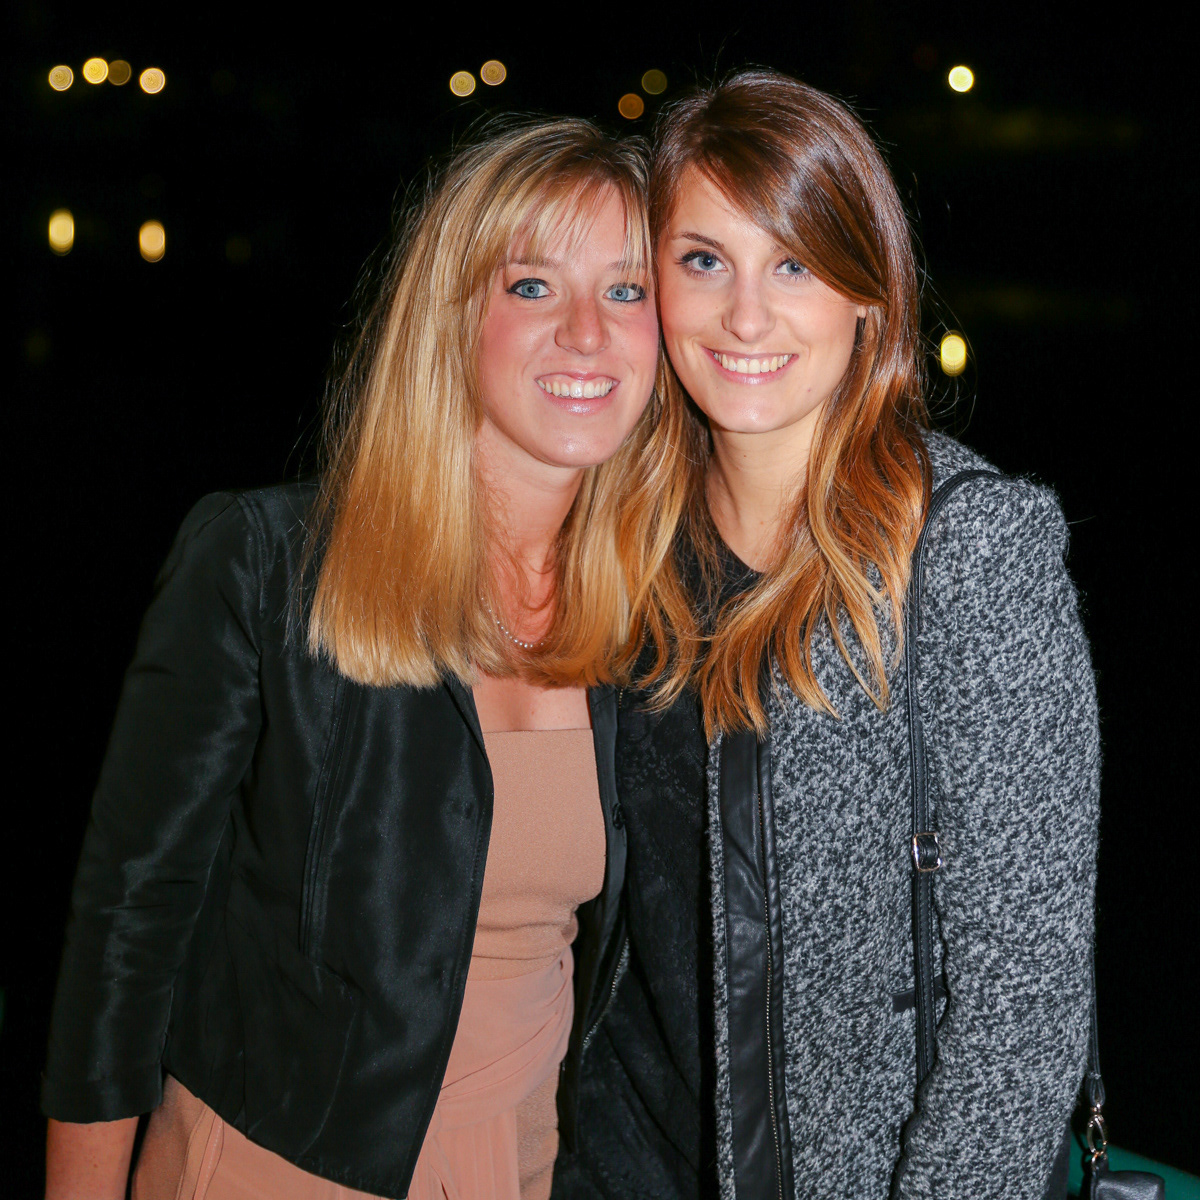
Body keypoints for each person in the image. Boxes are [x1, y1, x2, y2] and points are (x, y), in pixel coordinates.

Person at [41, 117, 661, 1200]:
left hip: (533, 1167)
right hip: (275, 1168)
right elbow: (125, 929)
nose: (586, 332)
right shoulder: (267, 562)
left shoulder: (656, 613)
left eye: (625, 290)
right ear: (451, 315)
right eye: (531, 286)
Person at [555, 70, 1099, 1199]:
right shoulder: (618, 535)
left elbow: (1022, 1013)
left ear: (868, 295)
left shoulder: (968, 552)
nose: (747, 316)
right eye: (704, 261)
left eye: (794, 264)